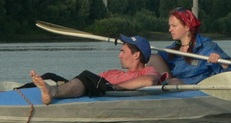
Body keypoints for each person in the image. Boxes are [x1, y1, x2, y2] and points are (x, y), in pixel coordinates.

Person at [30, 35, 161, 105]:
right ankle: (18, 91)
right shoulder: (113, 72)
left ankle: (52, 92)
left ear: (136, 55)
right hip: (97, 85)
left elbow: (150, 81)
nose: (119, 55)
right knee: (49, 75)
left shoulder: (146, 71)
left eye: (122, 51)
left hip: (109, 90)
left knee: (87, 76)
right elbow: (86, 81)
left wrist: (116, 87)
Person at [148, 7, 231, 84]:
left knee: (174, 82)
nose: (170, 29)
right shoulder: (171, 50)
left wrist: (223, 63)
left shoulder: (207, 47)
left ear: (187, 27)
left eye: (174, 26)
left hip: (197, 88)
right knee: (152, 58)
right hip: (173, 84)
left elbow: (229, 71)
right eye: (170, 26)